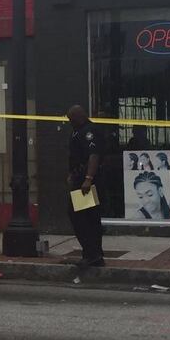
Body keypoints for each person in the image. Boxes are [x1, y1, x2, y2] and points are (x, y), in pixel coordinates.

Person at [66, 105, 104, 268]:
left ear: (79, 117)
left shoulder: (88, 131)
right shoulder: (78, 131)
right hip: (79, 178)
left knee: (81, 217)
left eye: (71, 119)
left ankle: (92, 253)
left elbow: (93, 156)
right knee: (88, 217)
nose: (70, 122)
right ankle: (93, 254)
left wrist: (88, 178)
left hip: (86, 183)